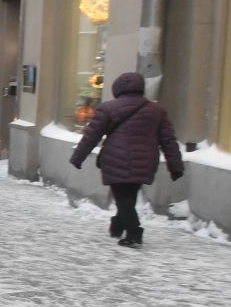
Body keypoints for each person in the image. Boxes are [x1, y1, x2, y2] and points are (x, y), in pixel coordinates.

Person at [69, 71, 184, 249]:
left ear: (117, 88)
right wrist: (175, 165)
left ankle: (134, 233)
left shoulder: (108, 108)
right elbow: (168, 140)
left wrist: (78, 157)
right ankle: (118, 224)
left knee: (123, 198)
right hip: (145, 161)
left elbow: (92, 135)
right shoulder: (157, 111)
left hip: (116, 159)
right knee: (128, 196)